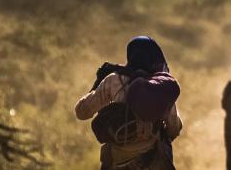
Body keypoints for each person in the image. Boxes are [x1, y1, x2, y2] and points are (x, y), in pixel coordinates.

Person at [75, 36, 183, 169]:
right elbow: (174, 127)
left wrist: (96, 88)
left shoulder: (113, 80)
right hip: (153, 158)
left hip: (118, 158)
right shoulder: (160, 85)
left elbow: (82, 113)